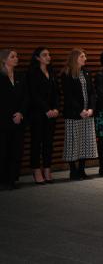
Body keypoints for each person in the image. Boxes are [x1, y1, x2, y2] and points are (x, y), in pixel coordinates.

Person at [61, 48, 98, 180]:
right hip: (74, 114)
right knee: (73, 142)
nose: (85, 59)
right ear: (75, 58)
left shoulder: (86, 72)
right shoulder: (67, 73)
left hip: (87, 114)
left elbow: (92, 93)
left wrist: (91, 109)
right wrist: (79, 110)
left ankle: (82, 170)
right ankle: (73, 171)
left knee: (85, 142)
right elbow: (68, 95)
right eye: (82, 57)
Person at [27, 47, 59, 184]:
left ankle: (47, 168)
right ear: (37, 58)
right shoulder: (32, 73)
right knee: (36, 142)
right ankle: (36, 170)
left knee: (48, 143)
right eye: (44, 55)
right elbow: (33, 94)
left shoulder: (52, 72)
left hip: (51, 114)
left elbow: (57, 93)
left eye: (49, 54)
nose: (48, 57)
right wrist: (46, 109)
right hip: (37, 113)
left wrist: (56, 108)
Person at [0, 49, 28, 190]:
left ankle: (12, 179)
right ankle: (2, 179)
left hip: (19, 119)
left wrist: (20, 113)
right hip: (3, 120)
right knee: (3, 150)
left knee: (16, 150)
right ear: (4, 60)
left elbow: (25, 97)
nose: (16, 58)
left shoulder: (20, 76)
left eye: (17, 56)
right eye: (13, 56)